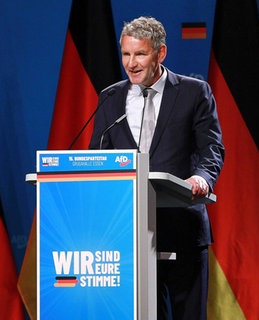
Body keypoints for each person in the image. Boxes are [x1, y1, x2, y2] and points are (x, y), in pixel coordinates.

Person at [88, 16, 225, 319]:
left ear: (160, 53)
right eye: (126, 54)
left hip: (182, 227)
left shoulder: (194, 92)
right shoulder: (110, 97)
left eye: (140, 54)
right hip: (129, 232)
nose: (131, 63)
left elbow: (212, 149)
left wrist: (202, 178)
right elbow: (99, 157)